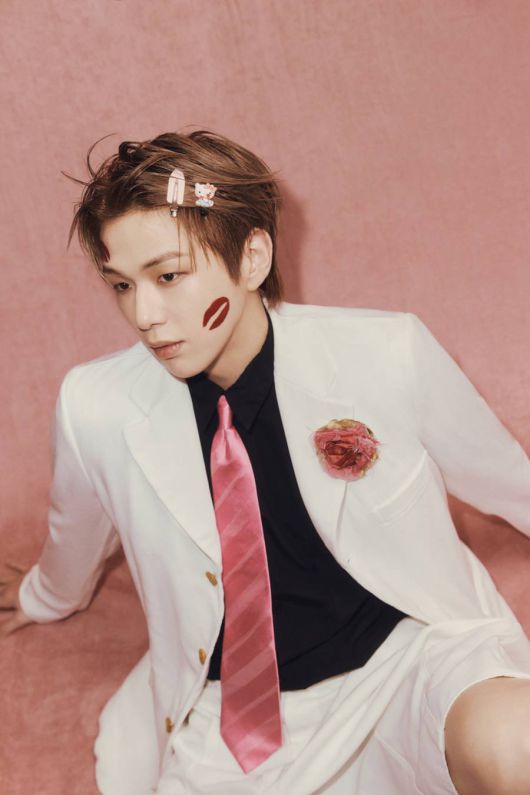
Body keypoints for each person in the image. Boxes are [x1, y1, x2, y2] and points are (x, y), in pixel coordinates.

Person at [1, 129, 530, 795]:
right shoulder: (96, 406)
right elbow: (74, 534)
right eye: (121, 285)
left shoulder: (385, 352)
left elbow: (511, 482)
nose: (143, 313)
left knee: (515, 742)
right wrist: (42, 595)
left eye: (168, 276)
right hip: (232, 722)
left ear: (252, 257)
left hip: (411, 661)